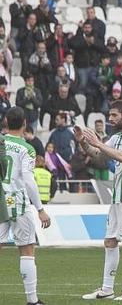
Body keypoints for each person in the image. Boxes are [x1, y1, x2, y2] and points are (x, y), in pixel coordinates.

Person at [79, 101, 122, 301]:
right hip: (117, 196)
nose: (110, 119)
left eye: (114, 115)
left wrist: (99, 143)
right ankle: (107, 289)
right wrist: (83, 142)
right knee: (110, 241)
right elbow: (97, 155)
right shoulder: (116, 137)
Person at [0, 107, 51, 305]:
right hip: (18, 201)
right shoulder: (27, 148)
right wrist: (40, 209)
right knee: (27, 249)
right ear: (24, 124)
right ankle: (32, 300)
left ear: (5, 121)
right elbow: (29, 181)